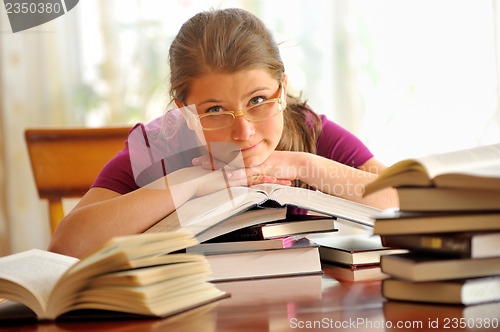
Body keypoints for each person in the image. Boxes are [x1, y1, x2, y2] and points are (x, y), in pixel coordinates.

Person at [48, 8, 398, 258]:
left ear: (283, 86)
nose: (243, 131)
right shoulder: (159, 145)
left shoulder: (308, 129)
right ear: (184, 112)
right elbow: (69, 244)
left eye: (259, 99)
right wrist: (191, 182)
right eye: (214, 110)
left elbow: (405, 201)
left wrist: (301, 165)